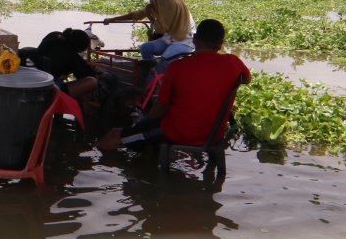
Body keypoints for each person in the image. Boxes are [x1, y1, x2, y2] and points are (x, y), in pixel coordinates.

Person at [98, 19, 249, 151]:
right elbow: (247, 79)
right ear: (221, 44)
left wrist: (143, 124)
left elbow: (159, 108)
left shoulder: (177, 67)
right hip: (214, 134)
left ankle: (93, 164)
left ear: (195, 39)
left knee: (114, 136)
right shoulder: (234, 62)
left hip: (179, 132)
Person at [103, 0, 195, 74]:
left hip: (184, 41)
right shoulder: (160, 4)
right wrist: (112, 19)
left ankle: (152, 81)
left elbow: (160, 29)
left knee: (162, 63)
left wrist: (150, 17)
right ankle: (150, 71)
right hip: (169, 39)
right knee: (145, 48)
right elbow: (136, 15)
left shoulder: (172, 6)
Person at [34, 28, 100, 103]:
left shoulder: (53, 35)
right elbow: (88, 75)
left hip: (34, 81)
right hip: (48, 93)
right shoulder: (71, 55)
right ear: (77, 50)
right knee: (92, 82)